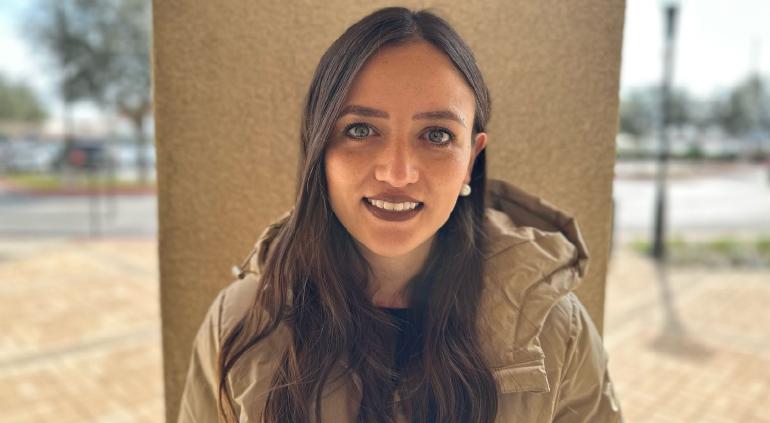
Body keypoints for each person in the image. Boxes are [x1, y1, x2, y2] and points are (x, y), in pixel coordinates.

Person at [177, 6, 623, 423]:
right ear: (319, 148)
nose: (397, 173)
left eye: (436, 135)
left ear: (471, 159)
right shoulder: (240, 322)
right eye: (360, 129)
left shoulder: (555, 330)